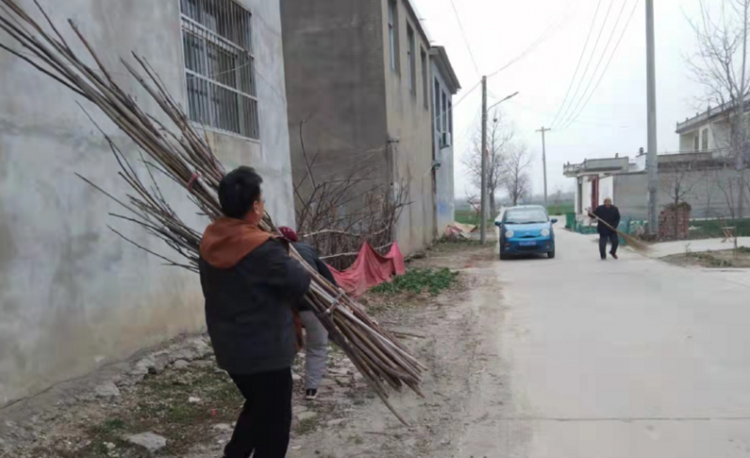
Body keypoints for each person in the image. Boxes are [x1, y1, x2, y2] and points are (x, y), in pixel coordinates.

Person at [199, 166, 310, 458]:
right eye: (261, 199)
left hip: (231, 350)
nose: (263, 204)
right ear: (255, 206)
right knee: (275, 425)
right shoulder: (262, 248)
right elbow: (299, 282)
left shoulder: (211, 239)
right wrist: (291, 253)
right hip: (266, 354)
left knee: (258, 407)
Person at [278, 226, 336, 401]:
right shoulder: (306, 249)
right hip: (314, 307)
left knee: (287, 349)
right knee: (317, 347)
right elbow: (328, 278)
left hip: (287, 310)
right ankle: (311, 389)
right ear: (295, 241)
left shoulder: (270, 255)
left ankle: (281, 387)